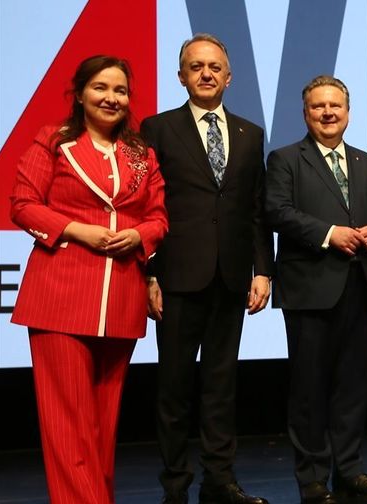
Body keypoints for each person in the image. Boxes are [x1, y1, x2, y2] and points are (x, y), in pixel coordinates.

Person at [9, 55, 168, 504]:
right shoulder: (54, 141)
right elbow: (22, 204)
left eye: (120, 90)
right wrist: (78, 231)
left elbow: (158, 217)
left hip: (120, 299)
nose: (111, 98)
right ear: (79, 94)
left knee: (101, 423)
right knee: (67, 423)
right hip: (59, 296)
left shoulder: (141, 154)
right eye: (100, 88)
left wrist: (139, 235)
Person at [140, 34, 274, 504]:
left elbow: (256, 208)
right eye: (196, 66)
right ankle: (175, 485)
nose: (206, 73)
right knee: (174, 387)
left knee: (221, 385)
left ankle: (220, 479)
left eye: (215, 67)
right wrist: (149, 274)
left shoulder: (250, 133)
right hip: (176, 277)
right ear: (181, 76)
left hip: (231, 277)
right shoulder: (157, 128)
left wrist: (263, 270)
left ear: (229, 77)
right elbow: (146, 205)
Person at [265, 75, 367, 504]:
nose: (327, 113)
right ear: (306, 114)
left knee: (353, 386)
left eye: (335, 106)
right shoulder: (285, 159)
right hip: (310, 289)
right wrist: (328, 234)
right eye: (318, 106)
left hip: (362, 286)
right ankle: (312, 477)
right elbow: (276, 211)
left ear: (348, 113)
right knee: (309, 389)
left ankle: (349, 470)